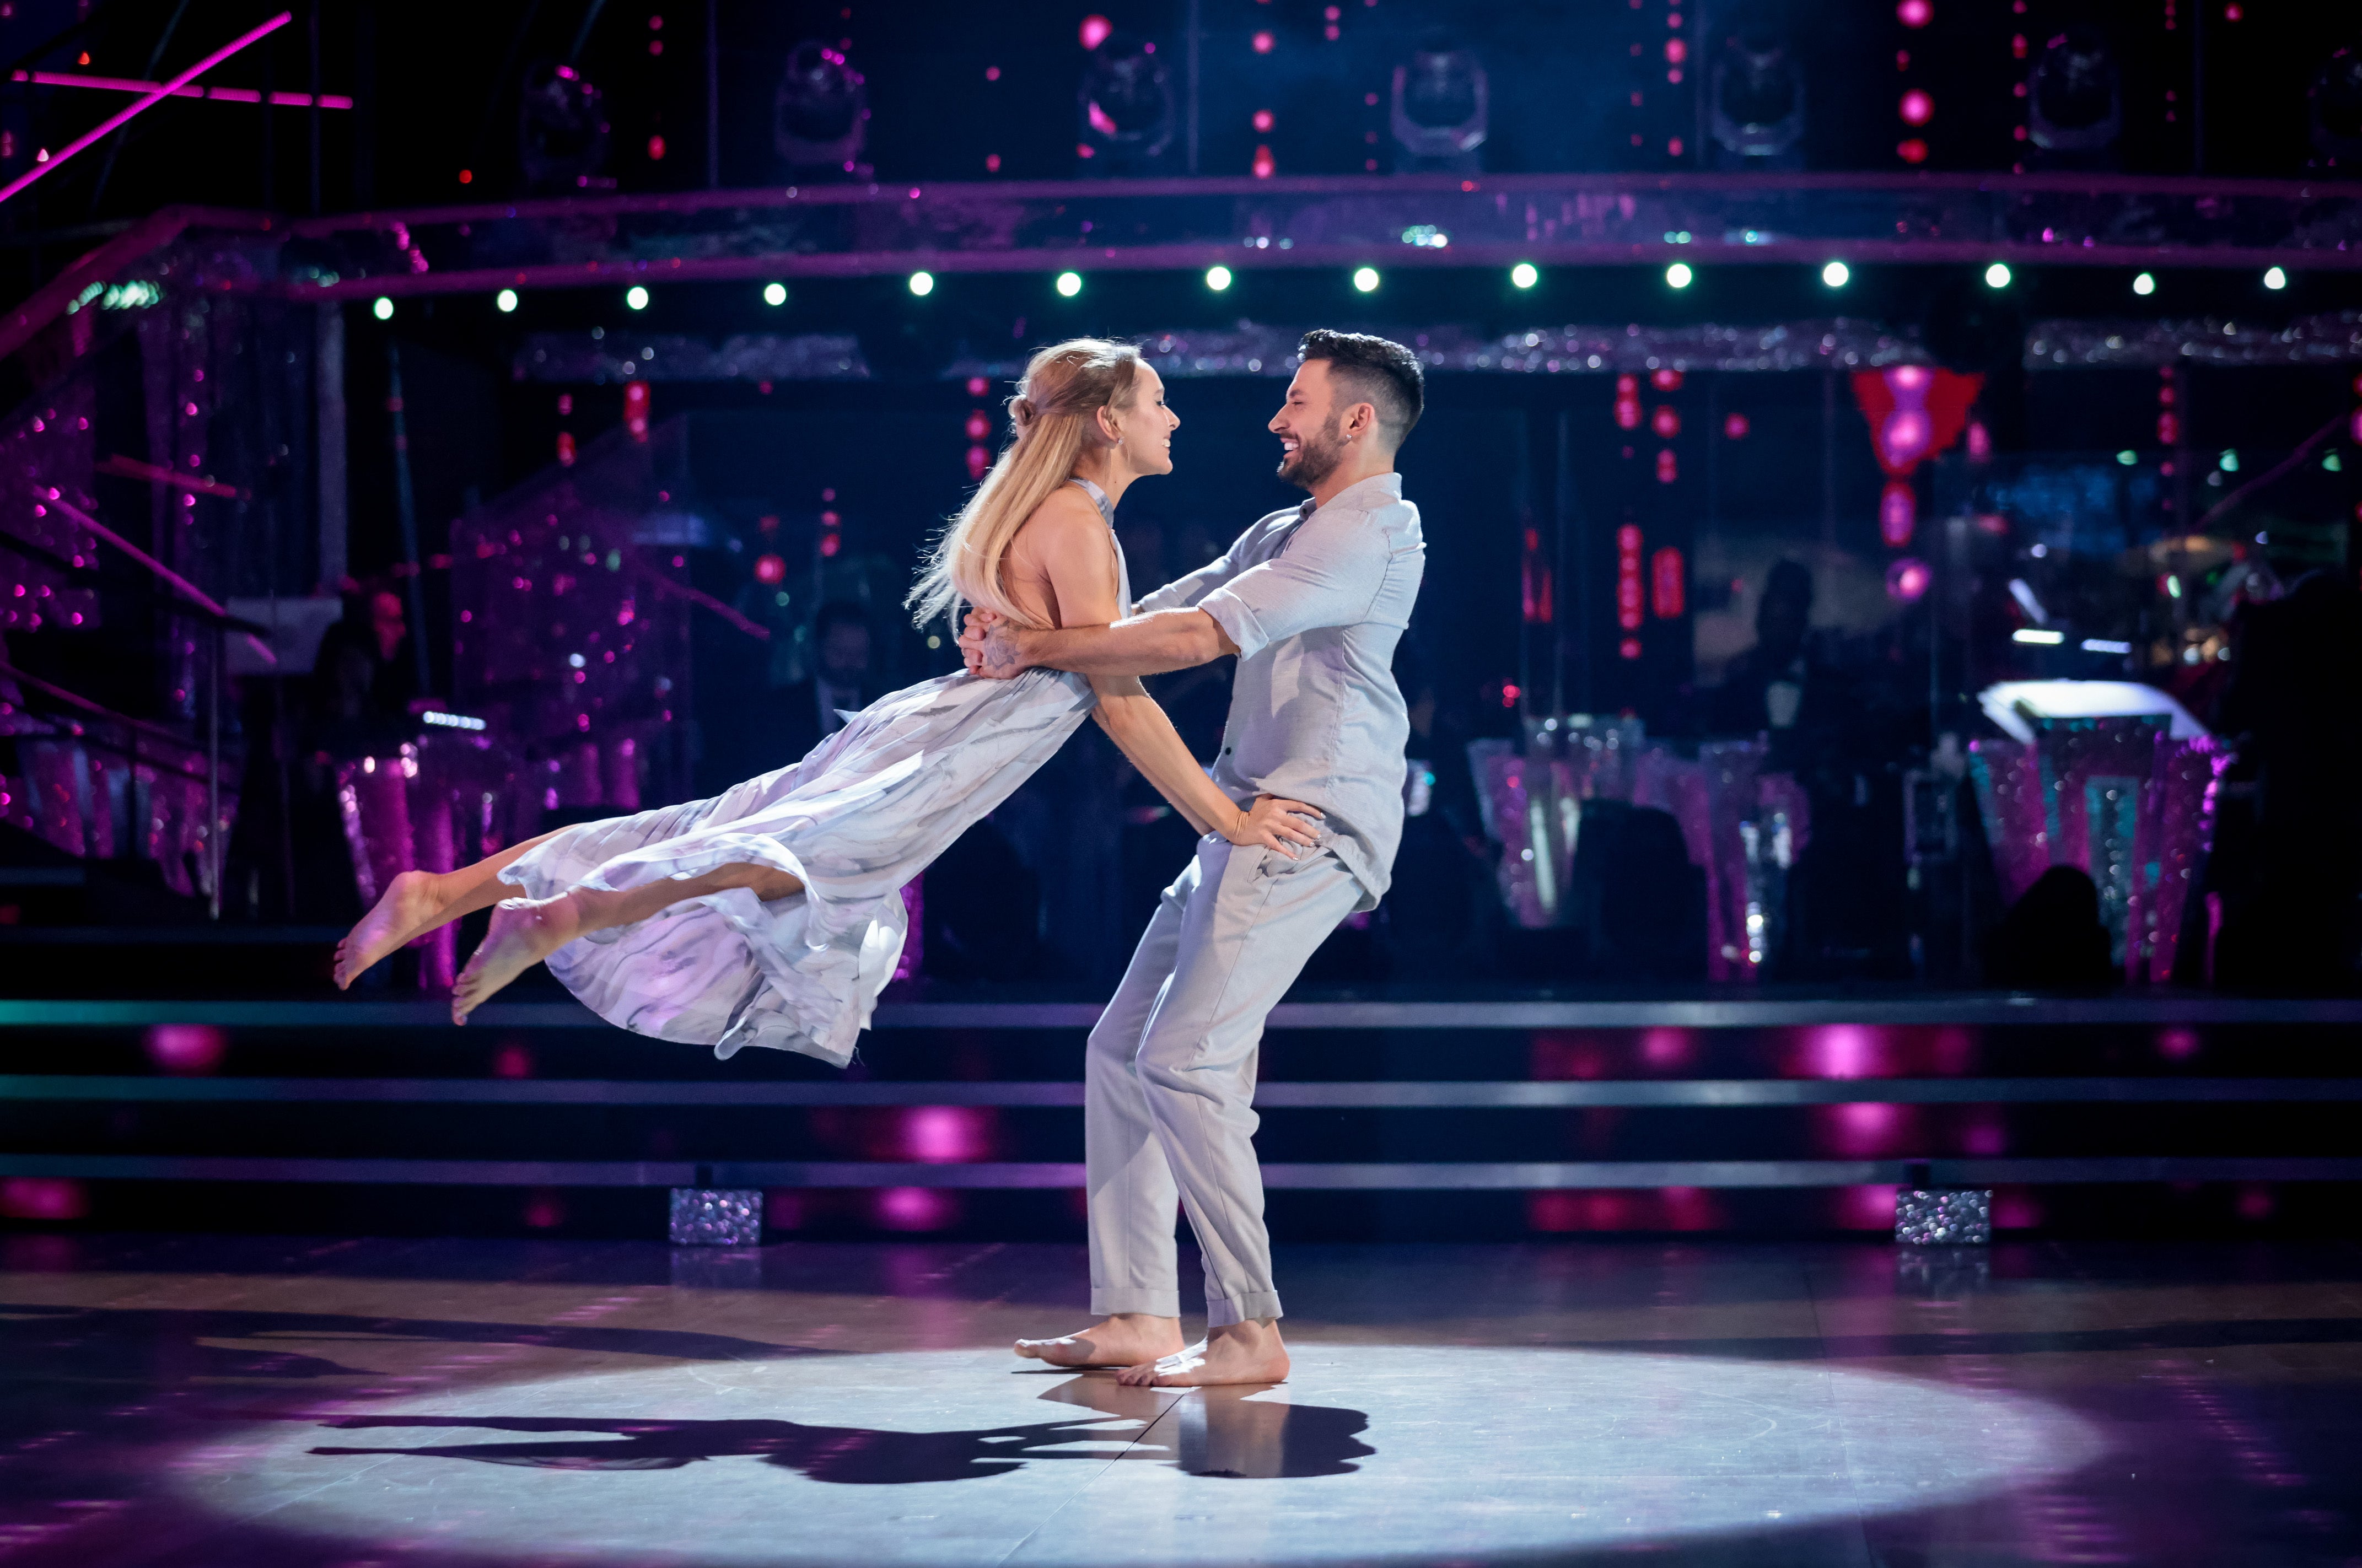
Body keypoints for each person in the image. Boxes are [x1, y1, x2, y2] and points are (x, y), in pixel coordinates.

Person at [330, 338, 1322, 1049]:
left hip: (939, 728)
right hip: (952, 750)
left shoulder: (1066, 514)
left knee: (742, 833)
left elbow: (1109, 643)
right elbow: (1120, 696)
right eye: (1156, 401)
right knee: (787, 863)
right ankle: (568, 911)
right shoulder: (1074, 518)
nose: (1173, 415)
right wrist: (1225, 819)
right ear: (1108, 420)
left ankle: (452, 893)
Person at [960, 330, 1427, 1388]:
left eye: (1297, 401)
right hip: (1248, 814)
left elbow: (1194, 641)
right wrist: (1023, 625)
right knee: (1119, 1050)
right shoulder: (1285, 526)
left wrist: (1039, 649)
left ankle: (1249, 1330)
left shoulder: (1368, 533)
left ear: (1356, 419)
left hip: (1306, 823)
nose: (1277, 417)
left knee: (1187, 1059)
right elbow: (1149, 616)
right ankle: (1132, 1310)